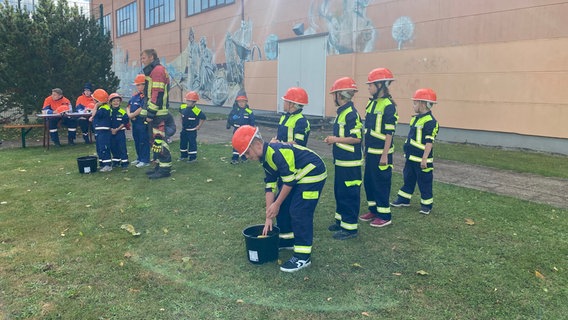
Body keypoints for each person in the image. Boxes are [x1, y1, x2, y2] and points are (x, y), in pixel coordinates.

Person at [232, 125, 327, 273]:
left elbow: (288, 182)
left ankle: (303, 256)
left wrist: (276, 204)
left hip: (312, 173)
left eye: (247, 152)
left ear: (257, 144)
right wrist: (269, 216)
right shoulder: (265, 159)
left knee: (299, 211)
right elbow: (270, 187)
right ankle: (288, 240)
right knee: (282, 206)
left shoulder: (277, 153)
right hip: (296, 176)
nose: (247, 157)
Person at [324, 77, 363, 240]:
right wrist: (334, 139)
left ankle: (350, 228)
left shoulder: (351, 114)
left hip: (350, 163)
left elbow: (357, 138)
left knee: (349, 194)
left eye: (334, 94)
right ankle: (341, 222)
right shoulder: (343, 113)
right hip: (342, 162)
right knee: (340, 193)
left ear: (340, 95)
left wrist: (335, 140)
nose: (333, 97)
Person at [359, 68, 399, 228]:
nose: (369, 88)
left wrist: (384, 155)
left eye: (371, 85)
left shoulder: (389, 106)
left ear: (380, 85)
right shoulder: (372, 102)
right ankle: (374, 210)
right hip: (370, 152)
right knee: (369, 182)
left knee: (381, 183)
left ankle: (385, 215)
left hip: (381, 154)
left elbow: (389, 132)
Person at [391, 88, 439, 215]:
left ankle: (426, 205)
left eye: (415, 103)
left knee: (424, 182)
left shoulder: (431, 122)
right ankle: (404, 199)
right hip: (411, 158)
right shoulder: (416, 118)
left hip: (422, 160)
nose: (413, 106)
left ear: (423, 104)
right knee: (408, 179)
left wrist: (424, 159)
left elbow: (429, 142)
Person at [140, 48, 176, 179]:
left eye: (143, 58)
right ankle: (159, 166)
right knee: (155, 141)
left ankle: (165, 170)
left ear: (152, 57)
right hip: (156, 112)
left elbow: (157, 93)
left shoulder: (157, 71)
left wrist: (150, 113)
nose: (142, 60)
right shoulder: (154, 71)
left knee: (159, 141)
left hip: (158, 113)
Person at [127, 74, 151, 168]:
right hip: (135, 123)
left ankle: (145, 160)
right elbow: (128, 106)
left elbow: (142, 107)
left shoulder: (146, 96)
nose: (138, 87)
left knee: (143, 140)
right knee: (137, 140)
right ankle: (139, 158)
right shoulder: (135, 96)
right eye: (137, 85)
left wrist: (132, 115)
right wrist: (129, 115)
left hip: (142, 122)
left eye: (140, 85)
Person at [226, 90, 255, 164]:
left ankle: (244, 157)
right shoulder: (234, 111)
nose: (241, 103)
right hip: (237, 131)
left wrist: (251, 131)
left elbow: (252, 122)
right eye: (239, 102)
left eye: (243, 101)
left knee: (245, 145)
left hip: (245, 132)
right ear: (237, 102)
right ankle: (235, 158)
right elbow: (229, 120)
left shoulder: (249, 112)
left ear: (246, 102)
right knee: (236, 144)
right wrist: (232, 119)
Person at [179, 91, 206, 162]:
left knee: (192, 143)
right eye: (187, 100)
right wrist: (181, 119)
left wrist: (199, 126)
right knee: (183, 142)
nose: (187, 102)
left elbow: (203, 118)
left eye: (189, 101)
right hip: (184, 129)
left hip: (192, 130)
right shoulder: (182, 107)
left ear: (194, 102)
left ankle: (193, 157)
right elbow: (180, 113)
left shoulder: (196, 110)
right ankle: (183, 155)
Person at [89, 89, 112, 172]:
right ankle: (102, 163)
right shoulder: (102, 108)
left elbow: (94, 114)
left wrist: (95, 106)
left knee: (104, 147)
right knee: (99, 148)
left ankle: (107, 165)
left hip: (103, 131)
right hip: (99, 131)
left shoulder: (104, 108)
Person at [109, 93, 129, 169]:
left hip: (120, 132)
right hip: (110, 132)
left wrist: (117, 129)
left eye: (118, 101)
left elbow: (125, 122)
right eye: (114, 101)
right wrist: (111, 130)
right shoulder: (108, 111)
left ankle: (124, 162)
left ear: (120, 102)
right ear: (110, 102)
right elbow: (106, 121)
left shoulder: (122, 112)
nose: (116, 102)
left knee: (122, 147)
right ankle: (116, 161)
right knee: (113, 147)